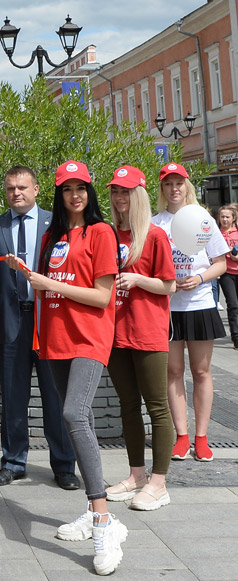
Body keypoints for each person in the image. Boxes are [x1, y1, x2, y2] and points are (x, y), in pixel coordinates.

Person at [7, 160, 126, 576]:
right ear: (58, 195)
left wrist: (48, 284)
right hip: (54, 340)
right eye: (67, 189)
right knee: (83, 421)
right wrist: (28, 275)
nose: (75, 195)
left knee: (73, 414)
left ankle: (102, 518)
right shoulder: (52, 236)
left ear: (90, 192)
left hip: (89, 337)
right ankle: (93, 510)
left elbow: (101, 296)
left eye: (81, 187)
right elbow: (43, 287)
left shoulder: (101, 232)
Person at [0, 166, 78, 490]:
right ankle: (12, 462)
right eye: (10, 188)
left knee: (55, 398)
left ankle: (64, 465)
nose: (16, 194)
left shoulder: (58, 223)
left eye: (22, 187)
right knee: (12, 396)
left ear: (36, 189)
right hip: (12, 322)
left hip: (50, 321)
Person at [104, 165, 176, 512]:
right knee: (128, 406)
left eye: (126, 191)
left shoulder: (155, 235)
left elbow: (169, 285)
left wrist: (137, 280)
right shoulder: (107, 234)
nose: (119, 197)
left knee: (158, 407)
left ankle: (159, 483)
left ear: (139, 195)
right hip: (115, 333)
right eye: (115, 191)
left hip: (148, 332)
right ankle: (135, 475)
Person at [152, 163, 228, 462]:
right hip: (167, 306)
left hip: (199, 304)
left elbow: (220, 263)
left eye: (179, 183)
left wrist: (199, 278)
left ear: (187, 186)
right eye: (168, 184)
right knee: (172, 371)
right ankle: (181, 436)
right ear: (162, 189)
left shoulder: (202, 219)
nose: (174, 189)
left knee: (201, 371)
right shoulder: (155, 223)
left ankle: (202, 437)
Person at [217, 204, 238, 348]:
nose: (224, 219)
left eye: (227, 217)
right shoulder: (216, 234)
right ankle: (236, 337)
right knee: (233, 305)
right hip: (226, 273)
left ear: (233, 218)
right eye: (222, 217)